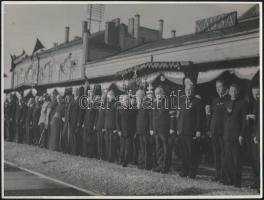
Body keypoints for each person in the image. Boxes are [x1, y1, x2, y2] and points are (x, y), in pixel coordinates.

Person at [222, 84, 247, 188]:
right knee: (228, 159)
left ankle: (237, 181)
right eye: (232, 90)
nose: (233, 92)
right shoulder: (227, 103)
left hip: (237, 136)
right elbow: (225, 120)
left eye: (235, 90)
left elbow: (244, 121)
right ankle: (229, 180)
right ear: (229, 91)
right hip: (227, 135)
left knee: (237, 159)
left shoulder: (242, 103)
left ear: (238, 92)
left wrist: (241, 135)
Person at [177, 83, 203, 178]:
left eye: (190, 89)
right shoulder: (182, 101)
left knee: (191, 153)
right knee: (183, 152)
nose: (188, 91)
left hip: (191, 131)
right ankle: (184, 170)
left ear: (193, 90)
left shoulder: (197, 101)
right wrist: (178, 128)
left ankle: (192, 172)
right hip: (182, 131)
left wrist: (198, 130)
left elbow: (199, 117)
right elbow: (179, 116)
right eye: (187, 89)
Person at [209, 79, 229, 182]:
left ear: (225, 88)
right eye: (217, 88)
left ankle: (224, 176)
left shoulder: (228, 100)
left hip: (224, 132)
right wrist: (210, 129)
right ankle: (217, 175)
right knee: (216, 154)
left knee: (224, 155)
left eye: (220, 87)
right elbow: (212, 116)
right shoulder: (214, 100)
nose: (218, 89)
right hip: (214, 132)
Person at [150, 86, 172, 174]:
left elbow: (171, 117)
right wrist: (151, 128)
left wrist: (171, 128)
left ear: (163, 94)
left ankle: (165, 167)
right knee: (158, 148)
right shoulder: (154, 103)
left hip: (164, 130)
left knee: (166, 148)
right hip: (156, 130)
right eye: (156, 94)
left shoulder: (167, 102)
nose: (158, 95)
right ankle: (159, 165)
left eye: (159, 93)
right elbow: (152, 117)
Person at [116, 95, 137, 167]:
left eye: (127, 100)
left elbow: (135, 121)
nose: (126, 101)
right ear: (122, 101)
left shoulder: (133, 109)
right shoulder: (119, 109)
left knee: (128, 148)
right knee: (122, 147)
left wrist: (134, 132)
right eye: (125, 100)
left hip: (130, 132)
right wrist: (118, 130)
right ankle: (120, 160)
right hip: (122, 131)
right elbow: (117, 120)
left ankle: (125, 161)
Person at [246, 84, 260, 191]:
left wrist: (257, 135)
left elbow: (260, 121)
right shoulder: (254, 103)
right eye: (254, 93)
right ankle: (256, 182)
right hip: (252, 135)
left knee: (258, 160)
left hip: (257, 136)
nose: (256, 95)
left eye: (258, 93)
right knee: (254, 160)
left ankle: (258, 183)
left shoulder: (259, 103)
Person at [135, 89, 152, 170]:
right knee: (142, 147)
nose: (136, 98)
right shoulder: (141, 103)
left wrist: (150, 129)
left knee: (146, 148)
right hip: (140, 129)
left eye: (137, 96)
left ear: (142, 95)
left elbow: (150, 117)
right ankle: (142, 163)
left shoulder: (148, 102)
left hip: (146, 129)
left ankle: (147, 165)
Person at [104, 89, 118, 162]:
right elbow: (105, 115)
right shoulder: (107, 104)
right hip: (107, 126)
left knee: (112, 143)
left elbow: (116, 116)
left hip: (113, 126)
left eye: (110, 95)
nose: (109, 96)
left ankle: (111, 158)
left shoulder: (115, 104)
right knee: (107, 142)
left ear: (113, 96)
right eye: (108, 95)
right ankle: (107, 157)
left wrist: (116, 128)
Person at [95, 91, 107, 160]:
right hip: (98, 126)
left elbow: (106, 118)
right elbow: (97, 116)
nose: (102, 100)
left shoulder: (106, 106)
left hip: (103, 127)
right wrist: (96, 125)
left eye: (103, 98)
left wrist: (104, 127)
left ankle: (102, 155)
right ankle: (99, 154)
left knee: (102, 142)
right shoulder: (100, 106)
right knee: (99, 141)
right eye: (101, 99)